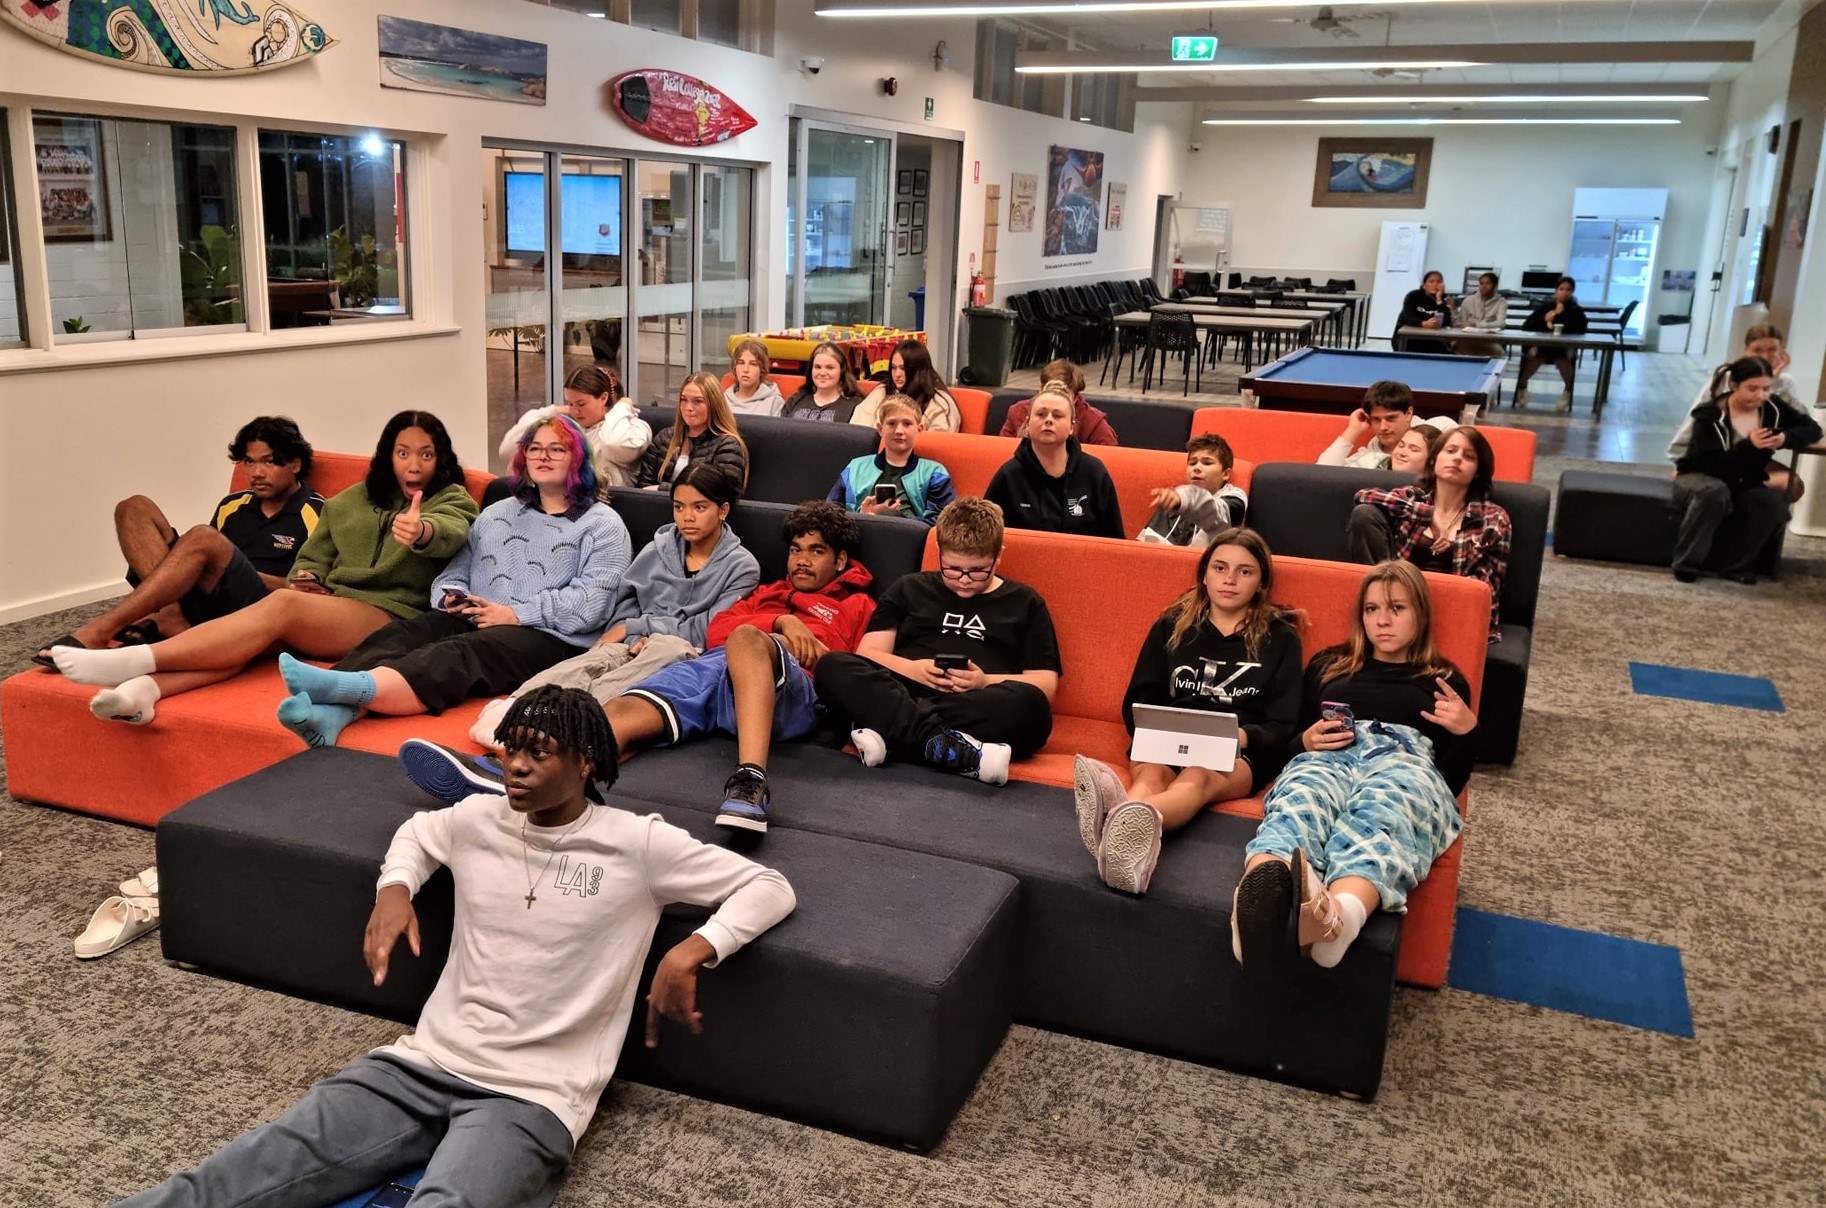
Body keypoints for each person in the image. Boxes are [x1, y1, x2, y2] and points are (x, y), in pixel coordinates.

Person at [110, 686, 795, 1208]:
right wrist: (394, 890)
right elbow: (417, 833)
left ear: (587, 764)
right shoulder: (477, 817)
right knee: (237, 1174)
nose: (516, 767)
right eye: (510, 749)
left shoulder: (639, 845)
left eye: (538, 753)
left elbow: (768, 888)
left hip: (534, 1097)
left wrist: (692, 949)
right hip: (422, 1063)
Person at [402, 503, 873, 840]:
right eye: (795, 550)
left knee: (749, 639)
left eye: (815, 551)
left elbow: (864, 666)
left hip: (793, 691)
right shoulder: (767, 594)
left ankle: (750, 782)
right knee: (622, 706)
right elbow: (718, 632)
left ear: (841, 560)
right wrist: (781, 618)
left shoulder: (858, 604)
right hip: (717, 673)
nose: (801, 560)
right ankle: (518, 770)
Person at [52, 411, 479, 724]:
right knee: (258, 632)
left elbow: (452, 532)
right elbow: (311, 559)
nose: (415, 464)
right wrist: (308, 577)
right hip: (332, 605)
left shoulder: (452, 498)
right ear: (388, 456)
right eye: (403, 453)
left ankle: (136, 659)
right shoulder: (350, 500)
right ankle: (143, 690)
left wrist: (420, 530)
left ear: (440, 458)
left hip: (390, 614)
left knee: (281, 606)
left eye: (426, 454)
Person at [273, 415, 632, 747]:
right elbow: (456, 571)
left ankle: (340, 687)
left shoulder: (603, 525)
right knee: (408, 632)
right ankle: (332, 710)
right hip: (478, 617)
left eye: (557, 449)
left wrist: (514, 614)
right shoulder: (497, 513)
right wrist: (451, 597)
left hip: (549, 636)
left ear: (578, 459)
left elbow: (591, 604)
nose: (543, 456)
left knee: (456, 654)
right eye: (535, 448)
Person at [1229, 562, 1475, 978]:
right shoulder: (1329, 664)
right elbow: (1291, 739)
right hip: (1329, 754)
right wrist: (1303, 743)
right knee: (1299, 803)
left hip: (1402, 760)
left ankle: (1337, 921)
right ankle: (1252, 911)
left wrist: (1468, 732)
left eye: (1397, 608)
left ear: (1421, 613)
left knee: (1385, 816)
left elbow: (1447, 783)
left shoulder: (1443, 680)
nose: (1382, 620)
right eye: (1372, 608)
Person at [447, 463, 761, 755]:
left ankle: (569, 717)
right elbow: (626, 603)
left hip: (686, 650)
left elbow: (713, 627)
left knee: (665, 649)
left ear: (723, 511)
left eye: (699, 507)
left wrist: (642, 630)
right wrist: (627, 631)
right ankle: (519, 706)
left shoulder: (741, 566)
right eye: (679, 507)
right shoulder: (658, 549)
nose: (687, 517)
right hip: (632, 638)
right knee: (599, 657)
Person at [1073, 529, 1304, 894]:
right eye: (1220, 567)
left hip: (1237, 748)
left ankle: (1113, 823)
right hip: (1169, 734)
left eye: (1245, 571)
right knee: (1149, 775)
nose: (1230, 579)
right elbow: (1139, 697)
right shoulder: (1173, 624)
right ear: (1204, 573)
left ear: (1261, 583)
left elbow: (1285, 722)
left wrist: (1238, 735)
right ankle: (1121, 846)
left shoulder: (1281, 638)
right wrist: (1153, 730)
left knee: (1196, 777)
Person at [33, 416, 323, 668]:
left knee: (203, 538)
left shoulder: (317, 513)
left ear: (295, 464)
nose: (256, 473)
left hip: (256, 609)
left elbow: (308, 593)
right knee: (133, 507)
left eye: (269, 462)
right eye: (249, 461)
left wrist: (233, 569)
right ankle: (171, 615)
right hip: (206, 598)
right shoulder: (233, 505)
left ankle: (100, 630)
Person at [813, 497, 1060, 785]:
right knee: (832, 666)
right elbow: (869, 653)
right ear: (939, 552)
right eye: (953, 569)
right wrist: (915, 669)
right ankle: (953, 748)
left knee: (1033, 708)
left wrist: (983, 682)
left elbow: (1045, 684)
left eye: (978, 571)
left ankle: (891, 736)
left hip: (973, 700)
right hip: (904, 687)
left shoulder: (1025, 602)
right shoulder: (909, 587)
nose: (965, 580)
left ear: (998, 555)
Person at [1347, 425, 1510, 642]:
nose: (1457, 459)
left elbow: (1483, 591)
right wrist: (1428, 515)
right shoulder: (1414, 498)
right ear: (1434, 460)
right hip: (1393, 602)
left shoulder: (1492, 518)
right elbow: (1363, 496)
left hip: (1450, 612)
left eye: (1469, 456)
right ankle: (1382, 610)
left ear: (1478, 470)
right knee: (1364, 515)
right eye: (1450, 451)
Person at [1669, 355, 1821, 584]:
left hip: (1742, 480)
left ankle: (1736, 566)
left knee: (1774, 507)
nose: (1760, 395)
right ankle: (1686, 564)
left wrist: (1784, 437)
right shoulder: (1709, 415)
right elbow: (1714, 465)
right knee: (1714, 492)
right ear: (1734, 386)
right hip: (1699, 475)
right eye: (1752, 389)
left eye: (1766, 388)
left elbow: (1812, 429)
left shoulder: (1772, 408)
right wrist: (1750, 446)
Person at [984, 383, 1125, 540]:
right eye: (1041, 414)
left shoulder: (1094, 472)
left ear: (1071, 427)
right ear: (1028, 423)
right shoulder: (1008, 475)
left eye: (1057, 415)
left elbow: (1115, 540)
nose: (1049, 420)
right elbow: (986, 539)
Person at [498, 364, 650, 490]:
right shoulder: (569, 428)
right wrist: (553, 411)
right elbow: (507, 450)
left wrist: (620, 407)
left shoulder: (634, 428)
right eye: (570, 403)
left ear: (604, 398)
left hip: (604, 506)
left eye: (581, 404)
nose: (575, 411)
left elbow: (612, 444)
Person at [1668, 324, 1802, 462]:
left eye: (1772, 349)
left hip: (1754, 457)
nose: (1765, 356)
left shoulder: (1785, 382)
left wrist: (1772, 383)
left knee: (1793, 482)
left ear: (1782, 351)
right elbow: (1695, 417)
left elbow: (1802, 422)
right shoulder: (1726, 378)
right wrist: (1680, 460)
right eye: (1757, 350)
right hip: (1718, 456)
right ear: (1746, 350)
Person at [827, 395, 957, 525]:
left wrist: (896, 520)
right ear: (880, 429)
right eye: (891, 423)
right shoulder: (855, 468)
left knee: (888, 514)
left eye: (907, 424)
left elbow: (942, 522)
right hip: (860, 535)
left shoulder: (934, 473)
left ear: (919, 429)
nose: (899, 431)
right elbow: (831, 513)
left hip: (911, 538)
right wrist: (862, 517)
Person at [637, 373, 748, 490]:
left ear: (714, 404)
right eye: (684, 400)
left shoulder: (727, 445)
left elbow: (723, 492)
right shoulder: (664, 437)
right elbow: (643, 486)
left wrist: (662, 489)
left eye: (697, 401)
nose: (688, 408)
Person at [1137, 433, 1248, 546]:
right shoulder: (1174, 498)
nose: (1197, 468)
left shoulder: (1235, 497)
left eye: (1207, 463)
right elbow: (1145, 545)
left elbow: (1215, 515)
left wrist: (1184, 500)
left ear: (1225, 474)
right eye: (1192, 463)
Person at [996, 359, 1117, 445]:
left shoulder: (1094, 423)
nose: (1049, 420)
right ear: (1040, 390)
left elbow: (1110, 462)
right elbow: (1003, 453)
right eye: (1049, 391)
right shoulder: (1018, 412)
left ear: (1075, 398)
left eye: (1063, 394)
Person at [851, 338, 962, 431]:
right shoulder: (882, 391)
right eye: (893, 368)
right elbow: (857, 431)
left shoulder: (939, 404)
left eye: (903, 368)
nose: (897, 374)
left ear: (918, 370)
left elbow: (938, 447)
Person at [1513, 276, 1588, 412]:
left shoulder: (1576, 311)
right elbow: (1527, 327)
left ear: (1572, 292)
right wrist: (1545, 320)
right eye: (1561, 289)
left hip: (1563, 348)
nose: (1564, 293)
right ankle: (1522, 386)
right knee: (1533, 357)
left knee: (1565, 360)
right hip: (1543, 346)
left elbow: (1581, 330)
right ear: (1556, 290)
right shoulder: (1545, 307)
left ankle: (1567, 391)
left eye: (1568, 290)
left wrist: (1559, 316)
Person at [1316, 380, 1416, 470]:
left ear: (1408, 414)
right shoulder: (1366, 458)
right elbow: (1320, 475)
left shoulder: (1430, 436)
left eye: (1391, 418)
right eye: (1376, 419)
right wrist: (1353, 429)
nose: (1383, 427)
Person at [780, 342, 865, 423]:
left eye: (830, 368)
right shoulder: (795, 400)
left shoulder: (856, 406)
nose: (822, 373)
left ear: (842, 371)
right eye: (817, 367)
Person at [1396, 269, 1454, 354]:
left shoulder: (1445, 299)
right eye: (1431, 281)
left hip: (1434, 339)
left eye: (1438, 281)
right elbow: (1409, 318)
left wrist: (1439, 300)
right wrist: (1424, 323)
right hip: (1410, 338)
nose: (1435, 284)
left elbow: (1447, 321)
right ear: (1424, 285)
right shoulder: (1413, 296)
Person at [1452, 272, 1508, 359]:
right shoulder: (1468, 301)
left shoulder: (1501, 302)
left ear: (1495, 286)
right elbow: (1462, 323)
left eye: (1488, 283)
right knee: (1458, 348)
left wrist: (1477, 324)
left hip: (1489, 340)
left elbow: (1500, 323)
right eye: (1481, 283)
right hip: (1467, 339)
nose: (1484, 286)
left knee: (1498, 353)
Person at [727, 338, 786, 417]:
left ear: (762, 369)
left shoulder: (774, 403)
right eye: (741, 363)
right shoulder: (723, 401)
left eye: (753, 364)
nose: (745, 369)